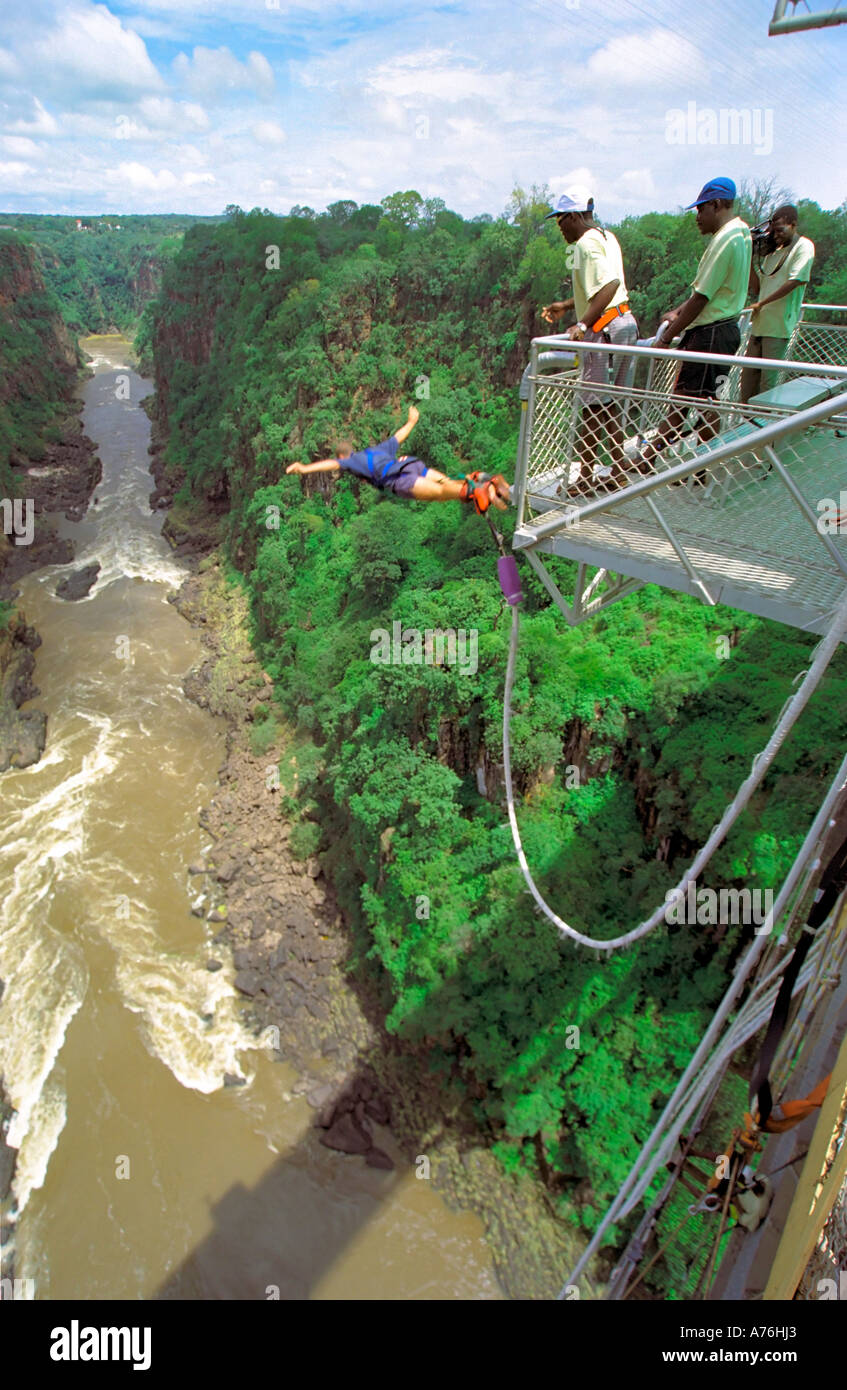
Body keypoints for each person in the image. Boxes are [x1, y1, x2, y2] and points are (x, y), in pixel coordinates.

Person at [638, 177, 751, 476]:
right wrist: (677, 312)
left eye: (700, 210)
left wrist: (667, 338)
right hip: (724, 330)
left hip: (710, 333)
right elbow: (711, 291)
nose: (697, 217)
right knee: (706, 401)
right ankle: (701, 466)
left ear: (716, 205)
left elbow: (702, 298)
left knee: (685, 399)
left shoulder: (725, 239)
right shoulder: (742, 234)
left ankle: (652, 459)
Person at [541, 187, 639, 495]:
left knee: (591, 407)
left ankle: (584, 479)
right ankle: (619, 468)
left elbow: (608, 285)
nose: (560, 229)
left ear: (573, 217)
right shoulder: (607, 238)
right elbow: (602, 287)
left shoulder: (584, 244)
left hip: (604, 330)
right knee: (608, 405)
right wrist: (568, 306)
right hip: (624, 324)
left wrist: (583, 323)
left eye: (561, 222)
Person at [285, 405, 510, 514]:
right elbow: (398, 436)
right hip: (410, 464)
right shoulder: (378, 449)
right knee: (445, 486)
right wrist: (412, 420)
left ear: (344, 456)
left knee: (440, 494)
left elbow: (332, 464)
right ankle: (478, 480)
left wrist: (304, 469)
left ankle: (475, 490)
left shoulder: (352, 462)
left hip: (398, 479)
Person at [740, 205, 815, 403]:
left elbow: (795, 281)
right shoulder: (773, 253)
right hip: (759, 327)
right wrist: (749, 257)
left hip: (778, 328)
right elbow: (757, 288)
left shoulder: (803, 246)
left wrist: (761, 303)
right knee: (747, 384)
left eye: (781, 230)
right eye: (773, 231)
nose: (776, 235)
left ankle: (766, 432)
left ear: (793, 225)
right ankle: (744, 428)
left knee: (767, 389)